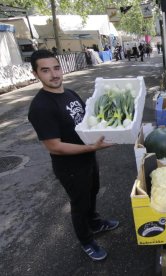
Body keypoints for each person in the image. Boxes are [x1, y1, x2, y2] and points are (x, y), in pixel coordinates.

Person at [27, 50, 119, 261]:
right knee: (79, 203)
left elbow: (87, 118)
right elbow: (54, 147)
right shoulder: (41, 107)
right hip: (69, 166)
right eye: (45, 70)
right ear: (36, 74)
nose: (54, 74)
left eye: (56, 68)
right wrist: (92, 148)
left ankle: (94, 223)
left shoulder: (69, 93)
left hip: (87, 156)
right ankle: (86, 240)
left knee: (93, 191)